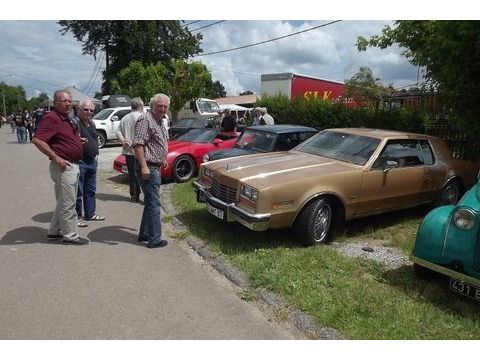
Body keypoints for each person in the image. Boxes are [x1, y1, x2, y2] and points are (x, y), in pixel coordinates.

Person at [32, 89, 88, 245]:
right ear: (55, 103)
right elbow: (37, 140)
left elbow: (62, 138)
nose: (68, 103)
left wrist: (77, 142)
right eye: (64, 101)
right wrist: (57, 157)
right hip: (64, 166)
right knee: (68, 203)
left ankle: (53, 231)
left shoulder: (66, 118)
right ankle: (70, 235)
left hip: (72, 165)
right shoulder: (52, 117)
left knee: (64, 201)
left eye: (70, 101)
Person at [132, 93, 169, 249]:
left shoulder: (159, 121)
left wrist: (162, 159)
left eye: (165, 106)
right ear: (152, 105)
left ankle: (144, 234)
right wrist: (144, 166)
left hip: (154, 165)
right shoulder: (145, 119)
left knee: (149, 202)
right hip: (148, 167)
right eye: (159, 106)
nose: (162, 109)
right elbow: (138, 144)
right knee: (154, 203)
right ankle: (155, 239)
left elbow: (155, 144)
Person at [74, 100, 105, 227]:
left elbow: (93, 139)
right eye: (86, 109)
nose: (89, 112)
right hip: (80, 161)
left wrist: (96, 155)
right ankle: (77, 217)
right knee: (78, 192)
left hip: (92, 161)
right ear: (79, 110)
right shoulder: (75, 123)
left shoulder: (91, 123)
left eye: (91, 110)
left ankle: (90, 214)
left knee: (90, 190)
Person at [116, 97, 144, 202]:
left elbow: (118, 132)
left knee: (132, 174)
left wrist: (124, 141)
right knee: (143, 174)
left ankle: (134, 195)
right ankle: (146, 195)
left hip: (128, 151)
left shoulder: (125, 118)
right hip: (141, 151)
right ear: (141, 106)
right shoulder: (143, 117)